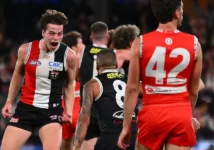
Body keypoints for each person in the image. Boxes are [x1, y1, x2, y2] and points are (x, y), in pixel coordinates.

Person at [118, 0, 203, 150]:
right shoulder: (194, 43)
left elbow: (132, 88)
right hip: (180, 113)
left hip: (152, 113)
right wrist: (188, 115)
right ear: (177, 13)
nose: (182, 12)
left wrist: (126, 126)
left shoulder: (140, 42)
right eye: (182, 9)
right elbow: (194, 91)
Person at [1, 9, 77, 150]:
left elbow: (70, 84)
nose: (56, 38)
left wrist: (68, 111)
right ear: (43, 32)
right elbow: (18, 75)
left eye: (59, 33)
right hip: (26, 108)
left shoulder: (69, 56)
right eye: (52, 33)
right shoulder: (26, 50)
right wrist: (9, 101)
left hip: (52, 111)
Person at [73, 50, 137, 150]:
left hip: (110, 138)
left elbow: (83, 121)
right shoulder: (130, 81)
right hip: (133, 135)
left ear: (97, 66)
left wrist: (76, 147)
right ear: (116, 65)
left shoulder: (92, 85)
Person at [78, 21, 109, 150]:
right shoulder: (114, 54)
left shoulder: (82, 51)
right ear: (107, 37)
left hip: (87, 106)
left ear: (91, 37)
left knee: (88, 140)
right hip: (107, 107)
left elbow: (76, 76)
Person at [61, 31, 85, 150]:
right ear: (73, 48)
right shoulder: (85, 61)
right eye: (81, 43)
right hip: (77, 109)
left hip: (65, 109)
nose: (84, 45)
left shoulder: (59, 63)